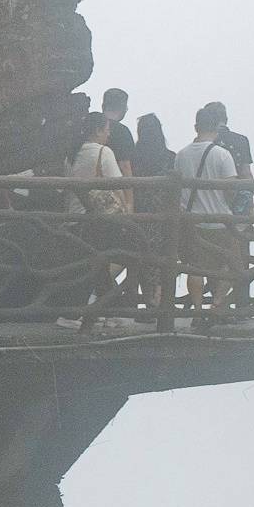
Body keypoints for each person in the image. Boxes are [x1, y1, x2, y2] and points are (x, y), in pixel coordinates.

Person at [174, 101, 242, 318]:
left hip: (192, 220)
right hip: (220, 221)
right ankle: (217, 303)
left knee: (195, 266)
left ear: (196, 127)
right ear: (217, 128)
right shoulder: (222, 155)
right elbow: (231, 188)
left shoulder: (181, 155)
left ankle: (196, 309)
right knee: (233, 264)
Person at [60, 111, 128, 329]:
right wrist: (127, 209)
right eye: (107, 130)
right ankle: (78, 313)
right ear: (98, 130)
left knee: (94, 265)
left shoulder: (72, 154)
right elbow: (117, 184)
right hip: (97, 219)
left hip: (75, 216)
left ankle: (103, 311)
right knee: (102, 264)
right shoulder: (102, 152)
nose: (108, 134)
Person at [130, 112, 176, 309]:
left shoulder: (133, 156)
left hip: (138, 213)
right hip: (164, 216)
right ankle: (161, 300)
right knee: (164, 257)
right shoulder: (170, 157)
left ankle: (148, 298)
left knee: (141, 257)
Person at [101, 88, 134, 177]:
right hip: (112, 184)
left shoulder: (89, 125)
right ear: (123, 109)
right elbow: (125, 166)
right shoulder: (123, 132)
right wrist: (129, 190)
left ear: (103, 106)